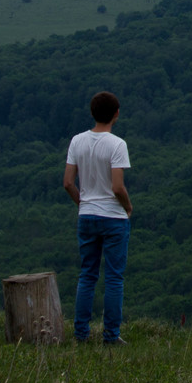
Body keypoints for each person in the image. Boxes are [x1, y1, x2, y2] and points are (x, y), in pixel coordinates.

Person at [63, 90, 133, 344]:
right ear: (116, 114)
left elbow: (68, 182)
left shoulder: (77, 141)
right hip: (113, 217)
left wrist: (82, 203)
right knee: (114, 277)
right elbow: (117, 187)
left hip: (87, 215)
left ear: (92, 113)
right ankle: (111, 336)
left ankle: (80, 334)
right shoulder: (117, 144)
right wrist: (127, 206)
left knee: (87, 275)